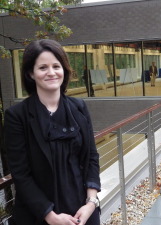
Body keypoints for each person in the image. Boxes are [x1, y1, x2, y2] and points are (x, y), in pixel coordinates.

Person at [4, 39, 101, 225]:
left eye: (56, 66)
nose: (51, 72)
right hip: (39, 214)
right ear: (31, 73)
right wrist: (50, 215)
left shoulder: (79, 107)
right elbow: (20, 174)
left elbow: (91, 158)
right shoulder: (17, 116)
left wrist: (91, 203)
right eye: (42, 68)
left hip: (82, 211)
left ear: (64, 69)